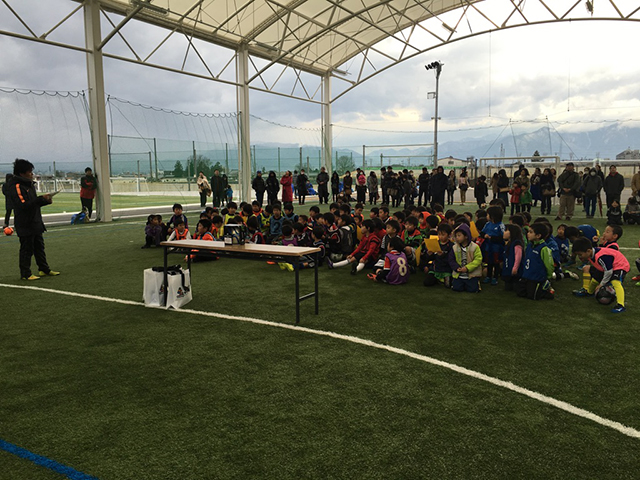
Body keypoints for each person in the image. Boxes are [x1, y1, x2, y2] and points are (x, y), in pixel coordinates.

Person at [7, 159, 60, 280]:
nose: (32, 174)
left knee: (39, 247)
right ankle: (25, 273)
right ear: (21, 173)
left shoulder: (29, 185)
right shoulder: (17, 186)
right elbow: (23, 205)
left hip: (35, 221)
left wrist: (45, 201)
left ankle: (44, 269)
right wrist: (41, 199)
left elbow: (33, 204)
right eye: (29, 171)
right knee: (27, 249)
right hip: (25, 223)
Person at [572, 236, 629, 313]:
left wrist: (601, 284)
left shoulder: (601, 256)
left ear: (588, 251)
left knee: (615, 282)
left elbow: (608, 271)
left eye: (580, 254)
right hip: (605, 267)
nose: (579, 257)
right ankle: (589, 292)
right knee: (595, 280)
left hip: (620, 265)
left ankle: (620, 305)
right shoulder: (591, 254)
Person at [515, 223, 554, 300]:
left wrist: (548, 277)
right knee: (520, 292)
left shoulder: (544, 249)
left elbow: (549, 264)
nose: (528, 234)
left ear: (538, 236)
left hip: (536, 278)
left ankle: (546, 289)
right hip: (526, 275)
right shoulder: (529, 245)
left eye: (531, 232)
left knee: (533, 296)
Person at [448, 223, 483, 293]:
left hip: (471, 274)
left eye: (459, 235)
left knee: (472, 290)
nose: (457, 238)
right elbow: (451, 259)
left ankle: (475, 283)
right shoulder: (454, 247)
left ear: (466, 236)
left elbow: (478, 260)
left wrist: (467, 268)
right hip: (459, 274)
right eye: (456, 236)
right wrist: (456, 267)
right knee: (456, 288)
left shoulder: (475, 247)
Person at [482, 205, 505, 286]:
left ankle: (495, 277)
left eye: (488, 214)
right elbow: (482, 232)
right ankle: (488, 276)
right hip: (488, 247)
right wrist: (484, 235)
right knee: (489, 262)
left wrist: (492, 238)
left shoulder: (500, 225)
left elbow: (503, 237)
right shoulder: (487, 224)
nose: (487, 216)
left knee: (496, 263)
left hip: (496, 248)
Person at [502, 224, 524, 291]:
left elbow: (518, 257)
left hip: (514, 270)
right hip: (508, 268)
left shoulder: (517, 243)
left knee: (516, 286)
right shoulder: (508, 243)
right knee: (508, 287)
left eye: (506, 230)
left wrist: (515, 268)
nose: (504, 232)